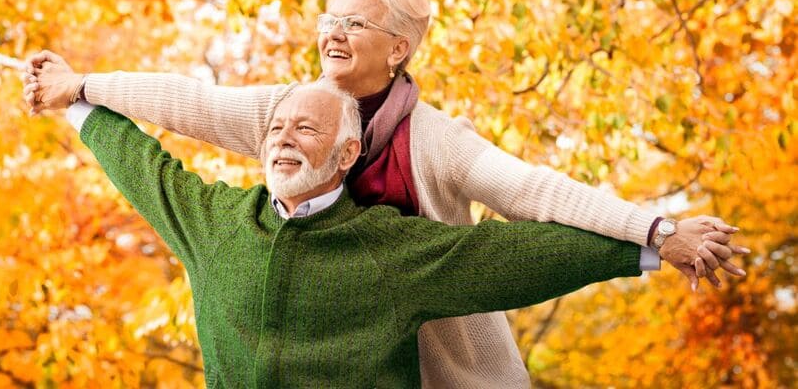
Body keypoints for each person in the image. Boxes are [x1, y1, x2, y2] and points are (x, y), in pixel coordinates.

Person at [24, 0, 746, 388]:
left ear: (398, 47)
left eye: (356, 25)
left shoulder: (435, 141)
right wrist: (80, 87)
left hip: (441, 354)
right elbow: (185, 102)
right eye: (329, 18)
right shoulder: (291, 111)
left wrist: (655, 231)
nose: (333, 33)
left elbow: (534, 194)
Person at [55, 80, 712, 388]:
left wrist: (652, 242)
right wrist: (72, 98)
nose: (284, 138)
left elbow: (520, 254)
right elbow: (143, 163)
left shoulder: (390, 250)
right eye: (277, 129)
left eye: (305, 130)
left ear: (345, 156)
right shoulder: (217, 224)